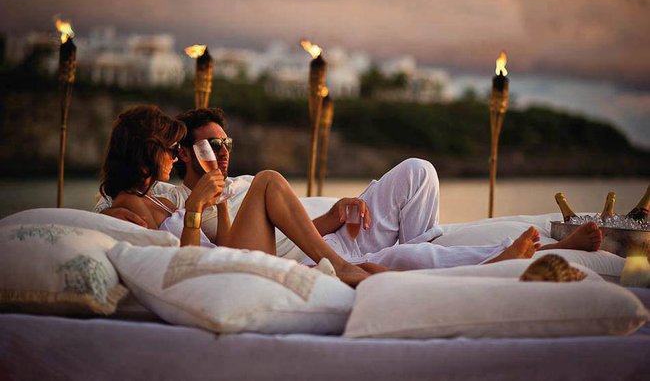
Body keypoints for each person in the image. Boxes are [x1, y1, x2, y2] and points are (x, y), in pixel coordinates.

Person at [98, 107, 602, 270]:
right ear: (159, 152)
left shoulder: (171, 194)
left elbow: (231, 237)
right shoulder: (143, 205)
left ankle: (430, 247)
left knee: (418, 170)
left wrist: (334, 213)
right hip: (294, 257)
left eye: (225, 142)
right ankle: (525, 254)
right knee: (401, 259)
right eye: (175, 148)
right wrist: (198, 206)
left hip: (313, 237)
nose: (221, 151)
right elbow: (193, 259)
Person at [99, 105, 379, 286]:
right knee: (267, 180)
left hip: (224, 258)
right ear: (147, 151)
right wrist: (195, 208)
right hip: (212, 276)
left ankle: (352, 270)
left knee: (371, 268)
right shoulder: (129, 206)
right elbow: (184, 264)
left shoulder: (156, 199)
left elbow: (221, 245)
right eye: (170, 150)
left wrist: (220, 203)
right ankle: (338, 265)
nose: (174, 158)